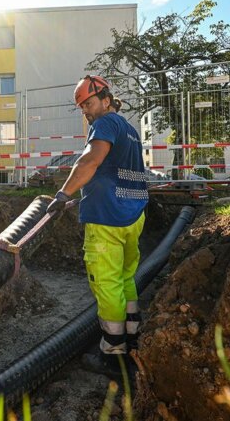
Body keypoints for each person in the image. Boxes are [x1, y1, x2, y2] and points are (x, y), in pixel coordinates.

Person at [47, 75, 149, 379]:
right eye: (81, 107)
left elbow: (90, 161)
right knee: (126, 278)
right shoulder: (130, 130)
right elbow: (120, 173)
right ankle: (132, 341)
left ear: (106, 100)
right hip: (133, 216)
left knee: (107, 285)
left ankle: (112, 356)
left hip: (107, 219)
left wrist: (63, 193)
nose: (85, 111)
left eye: (88, 103)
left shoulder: (105, 124)